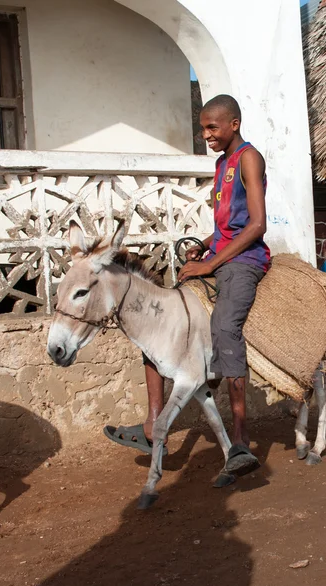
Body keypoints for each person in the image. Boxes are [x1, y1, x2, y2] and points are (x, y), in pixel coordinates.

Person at [104, 94, 270, 476]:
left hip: (245, 263)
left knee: (226, 328)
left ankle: (241, 442)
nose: (207, 135)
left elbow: (257, 224)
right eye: (203, 129)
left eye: (212, 127)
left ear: (234, 124)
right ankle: (151, 425)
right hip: (222, 255)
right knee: (158, 324)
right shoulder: (220, 163)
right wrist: (205, 246)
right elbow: (225, 226)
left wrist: (212, 262)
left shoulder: (248, 157)